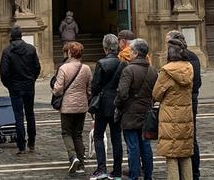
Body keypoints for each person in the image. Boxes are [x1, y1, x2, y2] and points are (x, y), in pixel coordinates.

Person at [154, 35, 195, 180]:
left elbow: (156, 94)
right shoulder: (189, 67)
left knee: (171, 156)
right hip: (186, 116)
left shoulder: (166, 71)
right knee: (185, 154)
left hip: (170, 118)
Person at [117, 38, 157, 180]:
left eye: (131, 51)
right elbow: (156, 93)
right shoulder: (153, 70)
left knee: (133, 147)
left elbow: (122, 93)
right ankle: (148, 176)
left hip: (130, 113)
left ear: (135, 53)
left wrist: (118, 106)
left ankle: (134, 176)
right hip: (146, 113)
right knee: (146, 146)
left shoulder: (129, 70)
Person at [165, 30, 202, 179]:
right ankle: (193, 173)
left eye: (168, 43)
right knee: (189, 137)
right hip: (190, 101)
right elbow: (198, 82)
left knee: (183, 139)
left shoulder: (178, 60)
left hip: (180, 103)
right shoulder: (193, 57)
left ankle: (190, 172)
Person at [52, 41, 92, 174]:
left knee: (66, 132)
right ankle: (81, 163)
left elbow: (58, 89)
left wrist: (54, 91)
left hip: (67, 106)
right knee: (78, 134)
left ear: (70, 53)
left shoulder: (64, 68)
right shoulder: (86, 68)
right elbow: (89, 89)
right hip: (81, 106)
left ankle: (72, 156)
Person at [0, 26, 40, 154]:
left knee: (18, 115)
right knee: (30, 114)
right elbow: (37, 67)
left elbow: (4, 72)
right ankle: (32, 141)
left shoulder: (7, 51)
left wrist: (9, 85)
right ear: (21, 35)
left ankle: (21, 145)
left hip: (15, 86)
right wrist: (32, 79)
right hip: (28, 85)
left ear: (11, 36)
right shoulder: (31, 49)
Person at [91, 33, 126, 180]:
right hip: (117, 103)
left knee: (98, 135)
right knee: (116, 136)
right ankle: (117, 171)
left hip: (103, 104)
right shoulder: (122, 63)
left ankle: (102, 168)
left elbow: (95, 86)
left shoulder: (101, 63)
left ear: (105, 47)